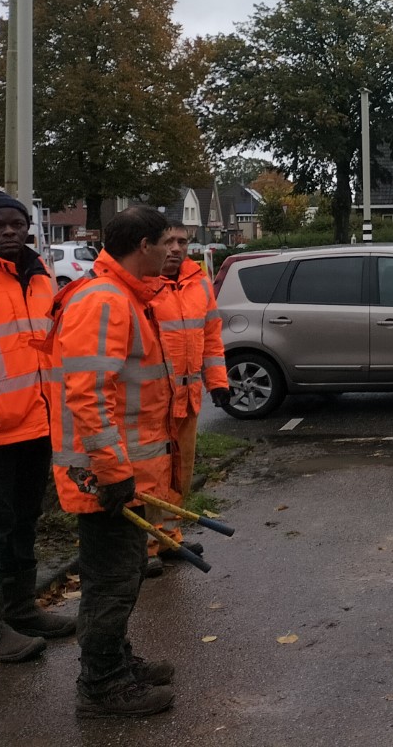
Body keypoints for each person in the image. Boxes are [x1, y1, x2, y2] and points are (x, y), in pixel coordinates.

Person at [50, 205, 177, 717]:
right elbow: (88, 393)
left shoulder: (120, 293)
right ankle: (102, 687)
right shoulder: (105, 300)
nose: (174, 252)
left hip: (117, 468)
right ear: (142, 245)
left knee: (121, 576)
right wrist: (113, 470)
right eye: (165, 242)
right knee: (111, 579)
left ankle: (116, 662)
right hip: (103, 474)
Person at [0, 191, 71, 665]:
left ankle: (21, 609)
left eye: (17, 224)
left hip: (35, 424)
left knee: (23, 522)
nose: (9, 232)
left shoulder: (38, 277)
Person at [144, 223, 229, 575]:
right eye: (168, 241)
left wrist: (218, 383)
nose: (176, 248)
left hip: (188, 398)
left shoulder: (198, 284)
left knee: (180, 472)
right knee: (148, 475)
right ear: (149, 246)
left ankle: (168, 537)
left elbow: (211, 338)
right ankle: (144, 546)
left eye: (182, 241)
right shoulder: (140, 287)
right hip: (149, 402)